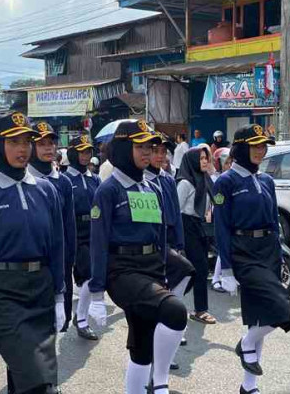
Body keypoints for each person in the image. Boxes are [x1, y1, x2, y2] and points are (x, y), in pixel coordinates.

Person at [0, 113, 66, 394]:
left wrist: (59, 296)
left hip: (40, 294)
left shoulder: (47, 190)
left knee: (25, 380)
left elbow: (57, 247)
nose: (23, 149)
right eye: (14, 142)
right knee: (40, 384)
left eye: (27, 141)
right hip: (2, 297)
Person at [89, 120, 187, 394]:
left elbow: (160, 233)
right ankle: (162, 382)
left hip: (151, 267)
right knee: (175, 311)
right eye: (140, 146)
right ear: (122, 148)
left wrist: (164, 269)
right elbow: (98, 242)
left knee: (142, 343)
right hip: (122, 271)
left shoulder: (151, 188)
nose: (148, 152)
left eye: (151, 146)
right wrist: (96, 293)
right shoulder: (108, 190)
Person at [213, 125, 290, 394]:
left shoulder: (266, 180)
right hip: (243, 252)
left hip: (268, 250)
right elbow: (221, 228)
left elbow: (273, 221)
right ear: (240, 148)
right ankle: (246, 343)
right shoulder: (226, 182)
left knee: (259, 319)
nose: (261, 150)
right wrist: (225, 268)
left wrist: (281, 252)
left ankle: (249, 386)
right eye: (255, 145)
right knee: (281, 309)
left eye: (264, 146)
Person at [144, 134, 196, 362]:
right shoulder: (141, 180)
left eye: (163, 152)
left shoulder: (167, 179)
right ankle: (161, 335)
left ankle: (170, 320)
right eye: (154, 151)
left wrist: (180, 244)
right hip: (151, 245)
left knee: (185, 272)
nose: (159, 156)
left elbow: (175, 213)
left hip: (170, 241)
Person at [29, 121, 76, 332]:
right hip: (31, 260)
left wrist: (70, 260)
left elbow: (69, 225)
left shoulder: (63, 182)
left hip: (59, 258)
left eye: (51, 143)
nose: (49, 148)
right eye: (41, 144)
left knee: (59, 321)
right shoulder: (22, 180)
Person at [66, 135, 101, 340]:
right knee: (80, 277)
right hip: (73, 231)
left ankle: (81, 319)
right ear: (72, 153)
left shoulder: (94, 178)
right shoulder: (64, 180)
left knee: (90, 275)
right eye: (81, 151)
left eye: (88, 151)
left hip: (93, 231)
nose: (86, 155)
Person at [177, 146, 217, 324]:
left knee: (199, 269)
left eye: (206, 158)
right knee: (198, 268)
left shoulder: (205, 179)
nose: (205, 161)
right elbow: (176, 211)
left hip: (200, 226)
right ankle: (199, 310)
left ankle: (193, 307)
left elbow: (216, 199)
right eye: (201, 158)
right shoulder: (185, 183)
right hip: (187, 226)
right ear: (192, 161)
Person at [211, 147, 232, 293]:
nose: (229, 165)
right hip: (219, 216)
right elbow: (216, 202)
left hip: (233, 217)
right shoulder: (216, 179)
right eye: (226, 162)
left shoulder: (234, 178)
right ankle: (216, 278)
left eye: (231, 162)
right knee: (224, 248)